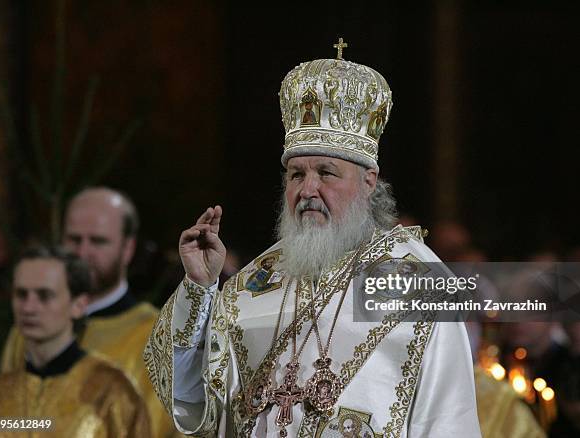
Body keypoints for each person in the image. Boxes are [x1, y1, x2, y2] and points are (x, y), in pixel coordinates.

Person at [145, 46, 481, 437]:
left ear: (369, 181)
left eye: (326, 172)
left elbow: (448, 424)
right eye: (295, 175)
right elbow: (191, 401)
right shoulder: (252, 286)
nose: (308, 190)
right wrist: (201, 290)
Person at [0, 188, 176, 437]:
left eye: (98, 241)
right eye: (74, 239)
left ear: (128, 248)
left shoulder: (157, 337)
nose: (82, 253)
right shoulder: (29, 324)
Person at [0, 245, 151, 437]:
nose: (29, 307)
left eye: (45, 296)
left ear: (78, 305)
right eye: (21, 294)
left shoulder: (112, 393)